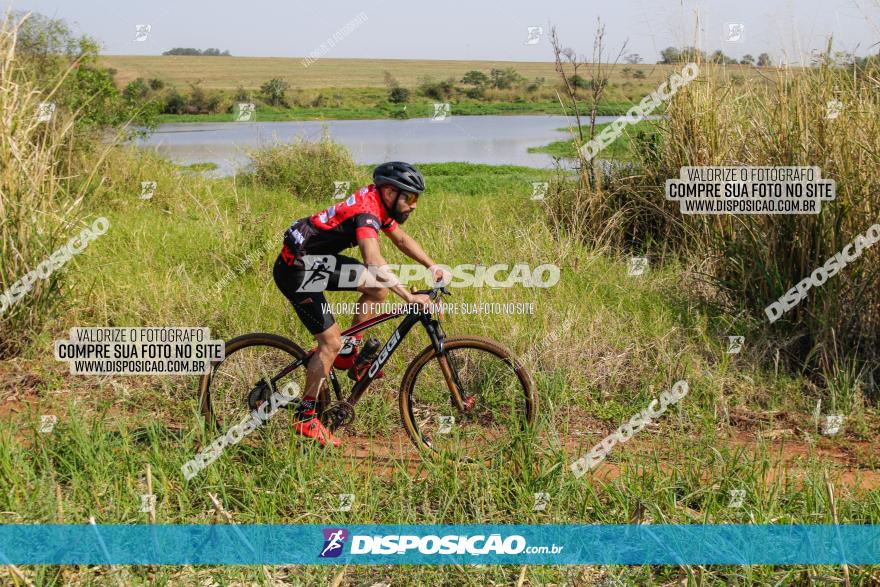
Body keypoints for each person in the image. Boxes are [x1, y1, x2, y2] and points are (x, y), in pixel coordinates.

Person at [274, 162, 443, 446]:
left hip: (314, 260)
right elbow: (374, 261)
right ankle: (305, 417)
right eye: (410, 197)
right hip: (296, 271)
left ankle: (348, 353)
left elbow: (400, 239)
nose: (414, 205)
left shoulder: (379, 202)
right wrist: (409, 297)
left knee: (377, 290)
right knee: (330, 343)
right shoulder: (366, 212)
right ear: (390, 192)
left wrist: (431, 264)